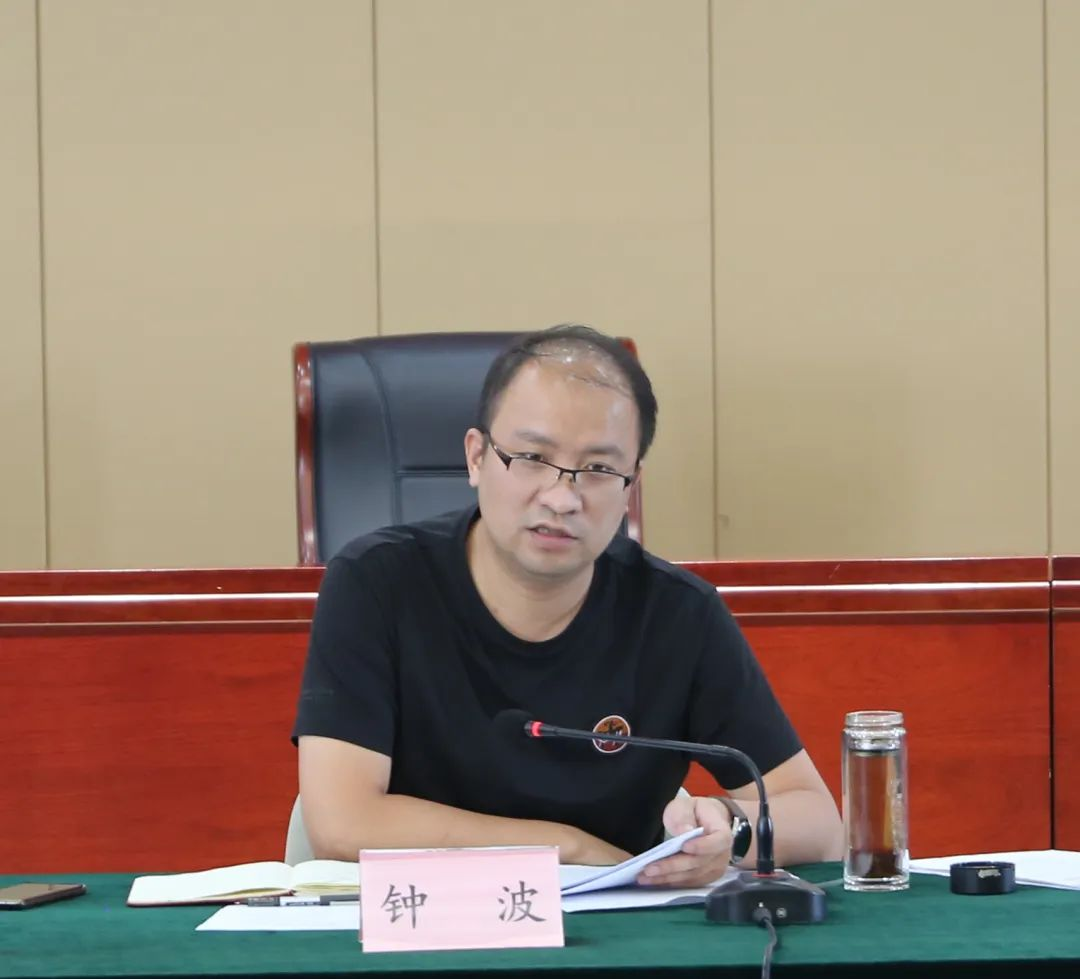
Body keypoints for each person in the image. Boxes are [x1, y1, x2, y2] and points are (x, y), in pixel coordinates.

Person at [292, 324, 842, 887]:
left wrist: (730, 828)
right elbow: (343, 823)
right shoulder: (377, 583)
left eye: (599, 470)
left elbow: (819, 824)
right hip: (417, 920)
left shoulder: (677, 615)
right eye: (532, 457)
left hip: (612, 928)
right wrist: (567, 848)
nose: (561, 498)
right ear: (477, 457)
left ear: (630, 486)